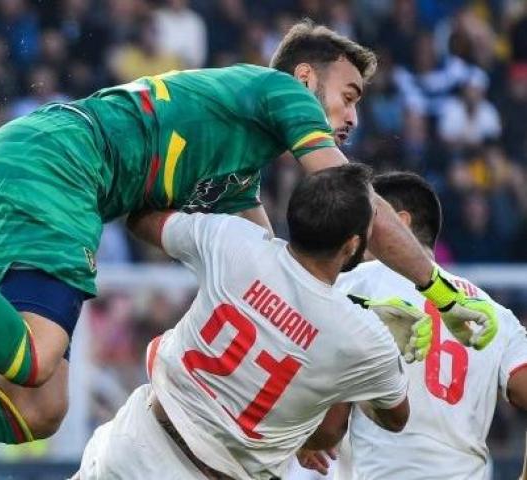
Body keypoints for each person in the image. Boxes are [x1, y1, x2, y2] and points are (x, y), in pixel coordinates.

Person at [0, 20, 495, 476]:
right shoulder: (280, 92)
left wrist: (326, 370)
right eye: (347, 96)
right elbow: (355, 198)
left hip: (38, 163)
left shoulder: (235, 172)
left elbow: (280, 277)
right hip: (64, 164)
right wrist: (438, 290)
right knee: (38, 354)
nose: (349, 116)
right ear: (306, 80)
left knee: (39, 407)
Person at [76, 164, 431, 479]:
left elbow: (144, 222)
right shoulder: (363, 337)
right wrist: (363, 368)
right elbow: (394, 418)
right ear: (352, 244)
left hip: (131, 443)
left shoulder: (233, 241)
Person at [296, 172, 527, 480]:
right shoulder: (493, 313)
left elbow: (330, 426)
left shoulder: (355, 283)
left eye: (367, 222)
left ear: (399, 222)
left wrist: (306, 436)